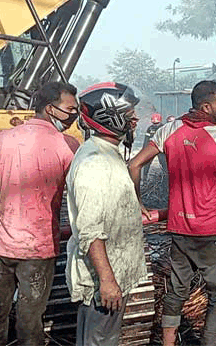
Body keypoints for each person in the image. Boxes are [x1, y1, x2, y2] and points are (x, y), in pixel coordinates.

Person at [128, 80, 216, 346]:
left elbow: (134, 164)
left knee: (177, 290)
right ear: (206, 106)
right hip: (211, 228)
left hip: (178, 226)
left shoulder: (169, 129)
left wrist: (137, 201)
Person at [0, 82, 80, 346]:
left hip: (2, 246)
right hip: (39, 250)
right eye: (71, 109)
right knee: (29, 321)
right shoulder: (67, 145)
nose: (75, 114)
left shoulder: (5, 138)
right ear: (51, 109)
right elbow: (79, 194)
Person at [65, 82, 147, 346]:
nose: (135, 119)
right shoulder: (94, 162)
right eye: (129, 114)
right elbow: (90, 228)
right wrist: (108, 280)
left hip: (113, 273)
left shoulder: (107, 154)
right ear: (109, 117)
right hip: (102, 280)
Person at [141, 112, 166, 182]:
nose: (155, 125)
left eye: (157, 123)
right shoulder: (150, 128)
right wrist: (144, 149)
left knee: (164, 164)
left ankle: (166, 178)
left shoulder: (164, 128)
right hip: (151, 148)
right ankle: (144, 179)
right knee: (147, 164)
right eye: (154, 123)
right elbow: (146, 139)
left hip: (160, 149)